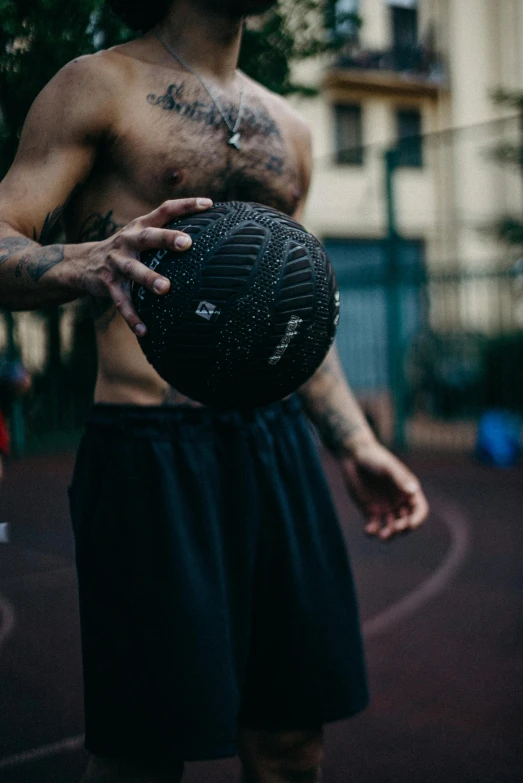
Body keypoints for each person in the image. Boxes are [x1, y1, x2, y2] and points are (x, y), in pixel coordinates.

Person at [0, 1, 429, 781]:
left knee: (292, 742)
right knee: (143, 754)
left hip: (276, 448)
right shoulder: (97, 86)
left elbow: (292, 324)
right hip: (148, 451)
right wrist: (83, 259)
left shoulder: (289, 128)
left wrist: (356, 443)